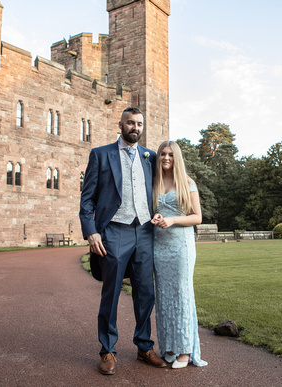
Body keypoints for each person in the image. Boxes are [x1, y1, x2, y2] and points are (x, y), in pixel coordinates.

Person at [79, 107, 166, 375]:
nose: (135, 128)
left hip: (145, 230)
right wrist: (91, 231)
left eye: (139, 124)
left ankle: (144, 346)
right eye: (130, 123)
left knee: (145, 293)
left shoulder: (149, 157)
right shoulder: (101, 154)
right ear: (120, 125)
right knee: (112, 292)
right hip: (115, 230)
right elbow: (87, 199)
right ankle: (107, 350)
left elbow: (158, 191)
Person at [151, 140, 208, 369]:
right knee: (164, 297)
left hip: (181, 247)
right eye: (163, 154)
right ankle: (169, 348)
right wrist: (157, 216)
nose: (166, 158)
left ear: (177, 158)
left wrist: (173, 219)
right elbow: (156, 210)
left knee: (182, 294)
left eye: (171, 154)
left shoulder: (187, 182)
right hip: (159, 246)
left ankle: (185, 350)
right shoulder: (155, 182)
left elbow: (197, 217)